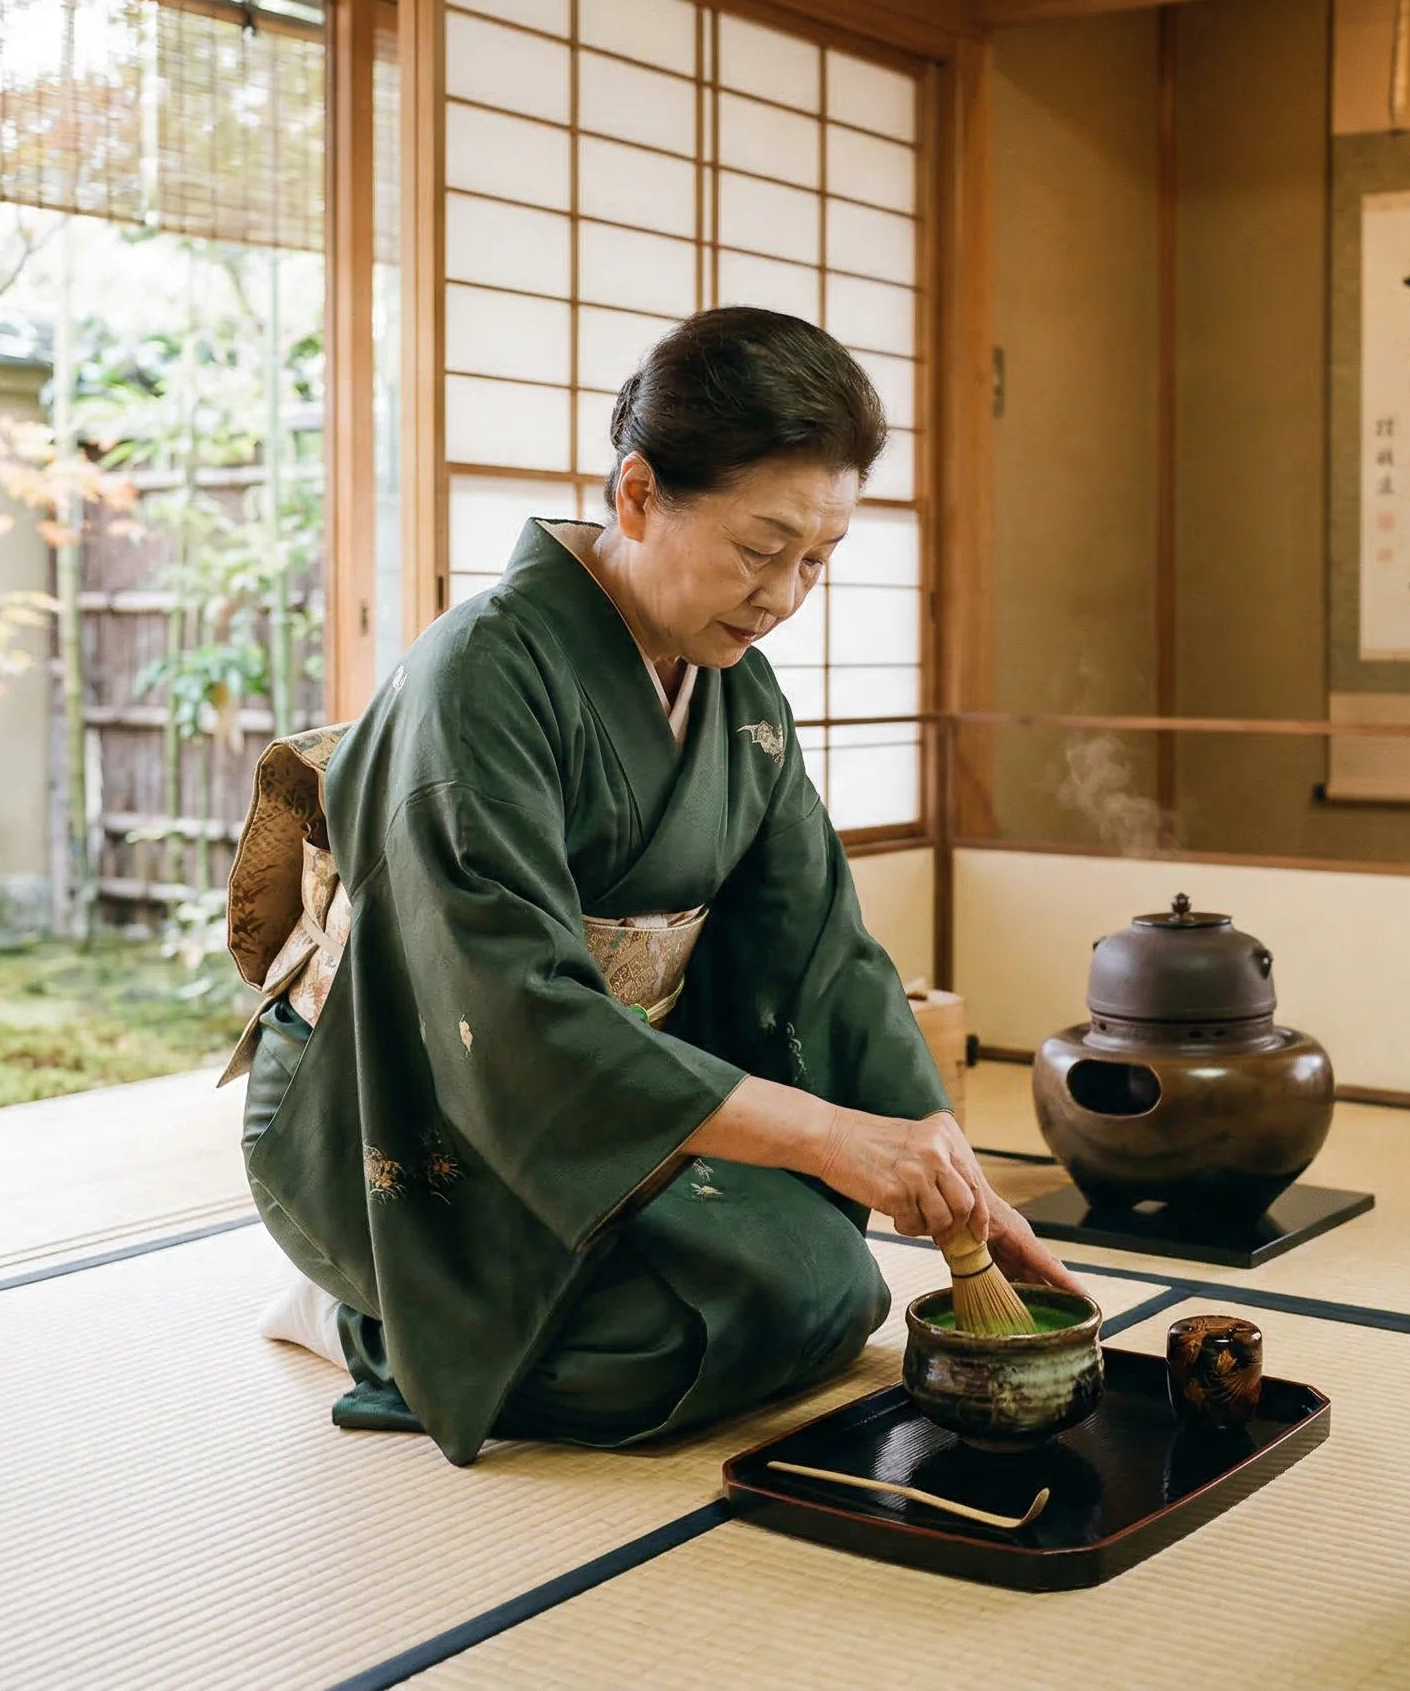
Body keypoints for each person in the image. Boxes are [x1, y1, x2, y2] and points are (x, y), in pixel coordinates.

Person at [230, 307, 1077, 1467]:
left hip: (603, 1102)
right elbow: (517, 1013)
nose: (784, 594)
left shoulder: (741, 693)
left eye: (818, 559)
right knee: (661, 1343)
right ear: (638, 495)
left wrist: (944, 1166)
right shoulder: (480, 679)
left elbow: (821, 955)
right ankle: (354, 1314)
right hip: (404, 1104)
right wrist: (829, 1140)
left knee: (826, 1291)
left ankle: (480, 1305)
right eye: (759, 546)